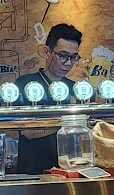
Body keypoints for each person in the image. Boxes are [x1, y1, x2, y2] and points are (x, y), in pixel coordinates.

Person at [14, 23, 83, 174]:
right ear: (47, 52)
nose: (68, 63)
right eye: (63, 56)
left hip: (69, 172)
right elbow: (28, 131)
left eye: (73, 57)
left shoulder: (76, 89)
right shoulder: (26, 84)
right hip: (33, 173)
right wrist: (71, 121)